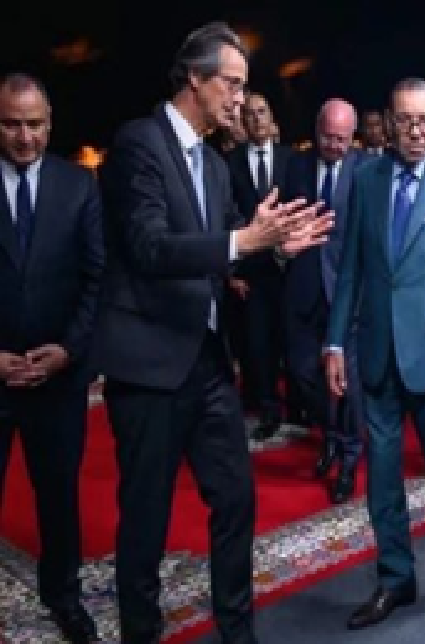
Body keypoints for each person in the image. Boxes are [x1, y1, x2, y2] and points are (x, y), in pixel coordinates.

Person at [92, 22, 332, 643]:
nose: (240, 99)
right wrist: (244, 239)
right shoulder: (138, 144)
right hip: (147, 368)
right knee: (146, 514)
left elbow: (230, 251)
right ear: (195, 79)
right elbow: (149, 247)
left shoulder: (215, 165)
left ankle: (237, 630)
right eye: (233, 84)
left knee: (235, 499)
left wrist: (275, 249)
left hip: (206, 362)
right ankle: (140, 631)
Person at [325, 78, 425, 629]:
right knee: (383, 478)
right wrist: (334, 340)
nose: (416, 131)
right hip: (378, 356)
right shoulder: (367, 180)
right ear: (390, 123)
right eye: (406, 121)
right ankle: (396, 577)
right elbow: (351, 270)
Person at [0, 72, 103, 643]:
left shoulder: (79, 185)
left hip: (58, 378)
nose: (24, 137)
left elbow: (96, 278)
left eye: (34, 124)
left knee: (59, 497)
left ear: (50, 123)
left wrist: (66, 351)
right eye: (11, 124)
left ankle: (63, 596)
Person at [284, 98, 366, 504]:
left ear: (353, 137)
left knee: (346, 382)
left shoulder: (365, 171)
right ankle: (329, 435)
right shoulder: (295, 166)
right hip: (303, 286)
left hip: (348, 293)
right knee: (303, 373)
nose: (334, 145)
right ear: (317, 131)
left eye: (342, 139)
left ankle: (348, 457)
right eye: (328, 137)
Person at [227, 91, 292, 439]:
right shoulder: (229, 163)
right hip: (251, 272)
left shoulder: (291, 159)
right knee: (258, 344)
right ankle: (268, 410)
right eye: (249, 114)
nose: (256, 119)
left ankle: (299, 404)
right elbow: (225, 217)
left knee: (291, 340)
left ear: (271, 117)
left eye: (262, 112)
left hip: (290, 269)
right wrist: (231, 272)